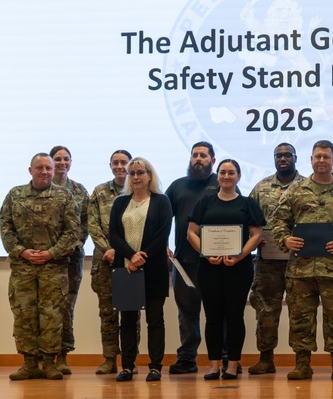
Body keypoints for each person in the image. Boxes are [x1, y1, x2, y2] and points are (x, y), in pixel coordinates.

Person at [273, 140, 333, 380]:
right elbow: (279, 221)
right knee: (300, 319)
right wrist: (286, 240)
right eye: (317, 157)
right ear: (311, 160)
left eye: (326, 157)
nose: (322, 161)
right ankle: (302, 364)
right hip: (300, 270)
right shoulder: (295, 190)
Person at [0, 153, 79, 380]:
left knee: (52, 316)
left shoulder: (64, 196)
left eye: (48, 168)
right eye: (39, 167)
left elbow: (72, 231)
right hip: (23, 267)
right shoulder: (15, 195)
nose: (44, 172)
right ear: (30, 170)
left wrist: (51, 253)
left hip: (53, 267)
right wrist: (21, 251)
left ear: (54, 171)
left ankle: (49, 364)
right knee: (24, 315)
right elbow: (6, 227)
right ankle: (30, 364)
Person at [188, 160, 265, 380]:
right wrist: (206, 252)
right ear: (217, 175)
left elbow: (257, 235)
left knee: (234, 316)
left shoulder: (248, 203)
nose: (226, 176)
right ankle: (213, 366)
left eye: (231, 172)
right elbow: (191, 233)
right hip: (209, 268)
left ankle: (232, 365)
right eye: (223, 172)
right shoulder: (204, 202)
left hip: (238, 269)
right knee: (212, 317)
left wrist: (240, 255)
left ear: (239, 176)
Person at [108, 157, 173, 382]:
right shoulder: (120, 202)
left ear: (149, 176)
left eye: (140, 173)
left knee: (155, 320)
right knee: (127, 321)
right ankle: (127, 366)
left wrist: (141, 257)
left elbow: (162, 234)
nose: (135, 177)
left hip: (152, 270)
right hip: (125, 270)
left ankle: (155, 366)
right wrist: (130, 256)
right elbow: (113, 235)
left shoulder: (161, 201)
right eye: (132, 173)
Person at [247, 143, 304, 375]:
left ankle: (302, 361)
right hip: (267, 263)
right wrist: (253, 238)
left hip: (299, 262)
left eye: (287, 155)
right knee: (266, 312)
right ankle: (266, 359)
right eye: (278, 156)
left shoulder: (307, 187)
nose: (283, 159)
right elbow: (248, 220)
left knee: (301, 312)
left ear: (295, 157)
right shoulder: (261, 188)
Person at [165, 141, 222, 374]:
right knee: (187, 313)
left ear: (213, 160)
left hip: (215, 262)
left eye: (203, 155)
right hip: (183, 261)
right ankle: (188, 359)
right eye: (195, 155)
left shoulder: (223, 183)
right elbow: (161, 217)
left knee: (218, 312)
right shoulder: (177, 186)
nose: (198, 159)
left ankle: (224, 358)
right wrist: (162, 246)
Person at [87, 149, 133, 374]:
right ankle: (110, 359)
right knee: (107, 314)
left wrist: (125, 252)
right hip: (105, 261)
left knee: (130, 313)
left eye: (124, 162)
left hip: (130, 262)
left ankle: (129, 361)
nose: (119, 166)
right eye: (115, 162)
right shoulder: (100, 191)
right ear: (110, 165)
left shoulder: (138, 191)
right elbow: (92, 224)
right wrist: (108, 249)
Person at [49, 145, 89, 375]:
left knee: (66, 308)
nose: (62, 163)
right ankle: (43, 357)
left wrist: (70, 246)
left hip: (71, 258)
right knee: (45, 308)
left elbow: (85, 224)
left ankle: (62, 356)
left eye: (66, 159)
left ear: (71, 162)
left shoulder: (80, 190)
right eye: (58, 159)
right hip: (46, 258)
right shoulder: (42, 187)